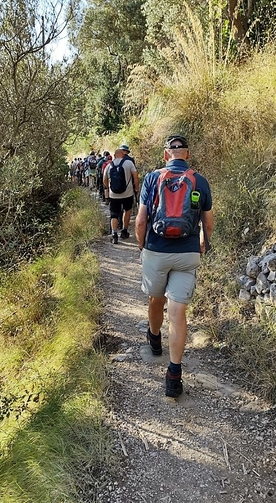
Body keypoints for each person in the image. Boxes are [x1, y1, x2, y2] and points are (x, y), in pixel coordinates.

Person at [135, 135, 213, 398]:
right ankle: (173, 375)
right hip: (187, 254)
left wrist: (141, 246)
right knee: (178, 312)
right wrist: (203, 244)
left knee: (155, 299)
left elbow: (141, 220)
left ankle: (155, 338)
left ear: (165, 154)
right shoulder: (200, 181)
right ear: (187, 155)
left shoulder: (152, 178)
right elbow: (208, 223)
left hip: (157, 251)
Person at [103, 148, 139, 244]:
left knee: (114, 214)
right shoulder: (129, 163)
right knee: (127, 211)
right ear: (123, 155)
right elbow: (135, 176)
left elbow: (104, 180)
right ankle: (124, 231)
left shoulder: (109, 165)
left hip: (113, 194)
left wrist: (108, 187)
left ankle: (114, 235)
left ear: (114, 156)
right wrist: (136, 188)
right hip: (128, 193)